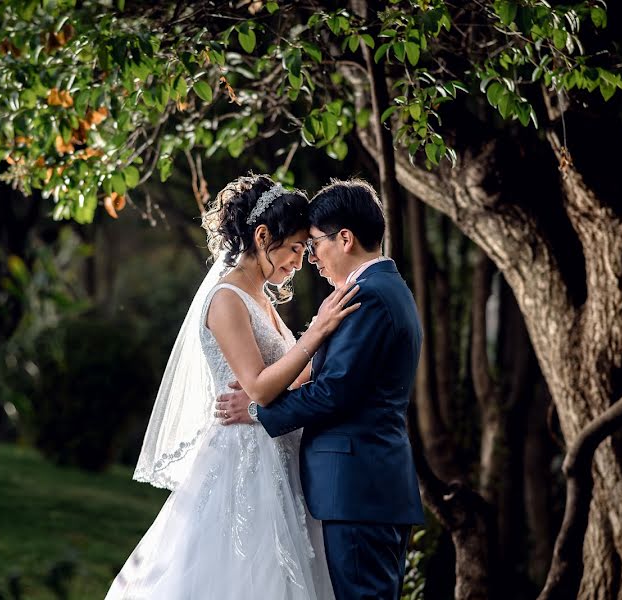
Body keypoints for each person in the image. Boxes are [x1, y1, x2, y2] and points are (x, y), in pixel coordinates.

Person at [105, 174, 359, 600]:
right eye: (296, 248)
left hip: (278, 449)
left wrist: (329, 343)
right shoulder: (226, 299)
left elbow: (292, 375)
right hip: (245, 457)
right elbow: (259, 388)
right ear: (263, 236)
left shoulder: (261, 298)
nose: (299, 262)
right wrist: (316, 333)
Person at [216, 179, 425, 600]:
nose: (311, 258)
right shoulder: (382, 289)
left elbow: (334, 391)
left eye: (313, 244)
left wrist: (257, 411)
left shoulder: (369, 296)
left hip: (358, 492)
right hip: (363, 488)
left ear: (344, 238)